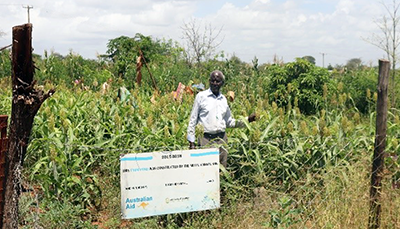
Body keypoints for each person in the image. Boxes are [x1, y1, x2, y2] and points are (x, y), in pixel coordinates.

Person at [187, 70, 256, 167]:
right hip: (205, 140)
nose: (215, 83)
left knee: (222, 170)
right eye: (212, 81)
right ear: (209, 81)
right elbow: (192, 120)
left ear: (222, 83)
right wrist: (191, 142)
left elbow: (229, 122)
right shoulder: (201, 97)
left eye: (218, 81)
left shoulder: (224, 99)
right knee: (207, 171)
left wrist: (247, 119)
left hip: (222, 140)